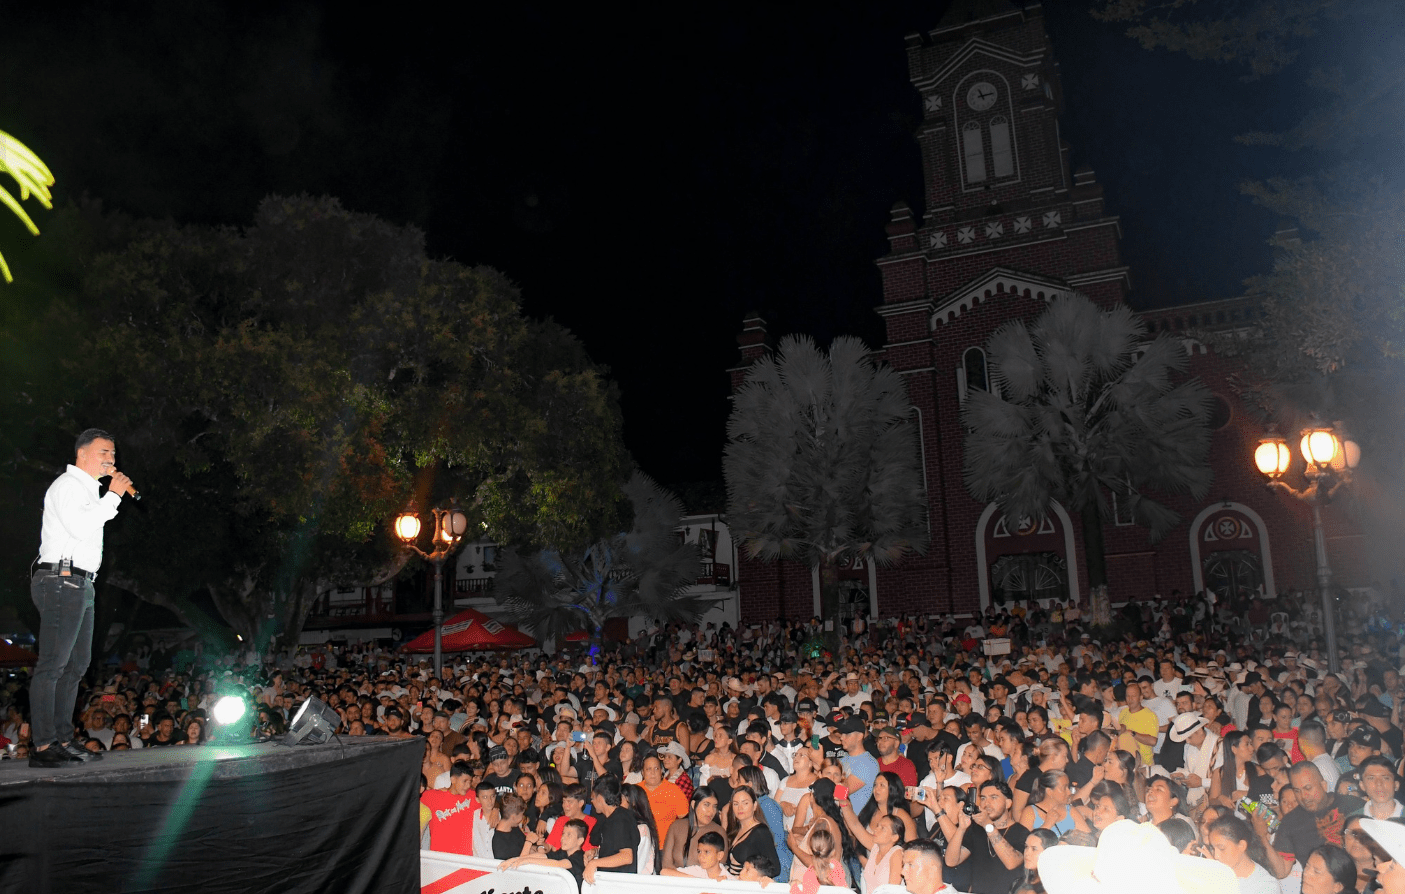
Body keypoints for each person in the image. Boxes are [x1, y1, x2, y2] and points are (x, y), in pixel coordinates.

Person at [29, 428, 135, 768]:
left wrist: (108, 497)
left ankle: (62, 738)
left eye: (114, 455)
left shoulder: (90, 490)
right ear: (83, 454)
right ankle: (43, 746)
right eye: (105, 452)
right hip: (61, 580)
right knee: (53, 665)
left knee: (75, 667)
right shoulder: (68, 486)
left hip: (82, 584)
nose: (111, 460)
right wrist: (114, 497)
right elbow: (77, 527)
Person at [946, 779, 1028, 894]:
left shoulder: (1021, 832)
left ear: (1008, 803)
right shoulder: (977, 829)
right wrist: (961, 828)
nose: (986, 803)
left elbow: (1011, 863)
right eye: (983, 798)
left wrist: (988, 825)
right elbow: (951, 861)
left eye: (993, 797)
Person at [499, 817, 589, 891]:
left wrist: (527, 860)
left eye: (569, 835)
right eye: (563, 833)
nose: (563, 838)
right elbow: (544, 856)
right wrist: (515, 860)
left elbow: (559, 864)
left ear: (580, 841)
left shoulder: (580, 857)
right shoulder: (562, 853)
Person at [1205, 814, 1279, 894]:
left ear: (1242, 846)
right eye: (1213, 848)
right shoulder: (1222, 874)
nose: (1216, 856)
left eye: (1222, 848)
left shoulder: (1266, 886)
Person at [585, 775, 639, 881]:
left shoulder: (620, 819)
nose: (592, 802)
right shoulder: (612, 818)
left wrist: (594, 863)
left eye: (593, 798)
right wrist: (595, 852)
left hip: (619, 884)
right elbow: (615, 848)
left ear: (600, 798)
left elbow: (626, 857)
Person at [661, 788, 726, 870]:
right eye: (706, 805)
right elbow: (666, 865)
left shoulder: (719, 832)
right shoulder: (676, 826)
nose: (711, 811)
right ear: (693, 804)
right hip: (675, 880)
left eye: (714, 807)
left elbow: (719, 870)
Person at [724, 785, 778, 878]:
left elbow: (775, 868)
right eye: (736, 804)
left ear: (754, 806)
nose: (740, 808)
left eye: (745, 803)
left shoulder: (761, 831)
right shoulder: (735, 830)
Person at [660, 829, 730, 881]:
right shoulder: (697, 870)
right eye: (699, 851)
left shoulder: (729, 878)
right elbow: (664, 872)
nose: (701, 856)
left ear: (719, 855)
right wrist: (697, 880)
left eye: (707, 852)